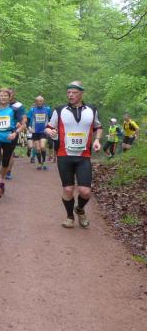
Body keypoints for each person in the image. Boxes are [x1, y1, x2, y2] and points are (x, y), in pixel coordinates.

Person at [45, 81, 102, 228]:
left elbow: (98, 127)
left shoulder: (92, 110)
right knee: (68, 189)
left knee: (85, 191)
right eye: (68, 92)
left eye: (74, 92)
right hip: (64, 155)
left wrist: (97, 140)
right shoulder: (59, 110)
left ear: (81, 93)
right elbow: (49, 126)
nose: (71, 95)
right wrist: (49, 131)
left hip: (84, 156)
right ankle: (70, 217)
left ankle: (80, 209)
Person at [0, 88, 24, 198]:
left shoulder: (14, 110)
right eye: (1, 95)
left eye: (6, 95)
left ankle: (1, 180)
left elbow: (23, 125)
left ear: (9, 97)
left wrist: (15, 133)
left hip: (10, 138)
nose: (3, 97)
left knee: (5, 162)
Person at [26, 95, 52, 170]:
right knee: (37, 149)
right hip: (35, 132)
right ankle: (39, 163)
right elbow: (27, 121)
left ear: (43, 102)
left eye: (41, 101)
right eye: (38, 101)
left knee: (42, 147)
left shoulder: (47, 109)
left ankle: (44, 162)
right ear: (36, 102)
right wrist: (29, 128)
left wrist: (50, 128)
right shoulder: (32, 110)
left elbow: (51, 119)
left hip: (44, 131)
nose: (39, 102)